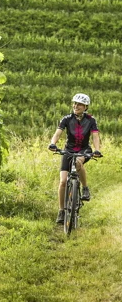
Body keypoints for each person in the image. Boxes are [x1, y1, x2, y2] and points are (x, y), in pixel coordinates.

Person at [48, 93, 102, 224]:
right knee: (62, 182)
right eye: (74, 103)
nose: (75, 106)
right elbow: (58, 133)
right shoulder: (66, 119)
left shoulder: (91, 120)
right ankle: (61, 211)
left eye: (79, 104)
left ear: (85, 107)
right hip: (68, 150)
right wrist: (53, 143)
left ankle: (85, 188)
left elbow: (95, 136)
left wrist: (97, 150)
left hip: (84, 150)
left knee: (78, 162)